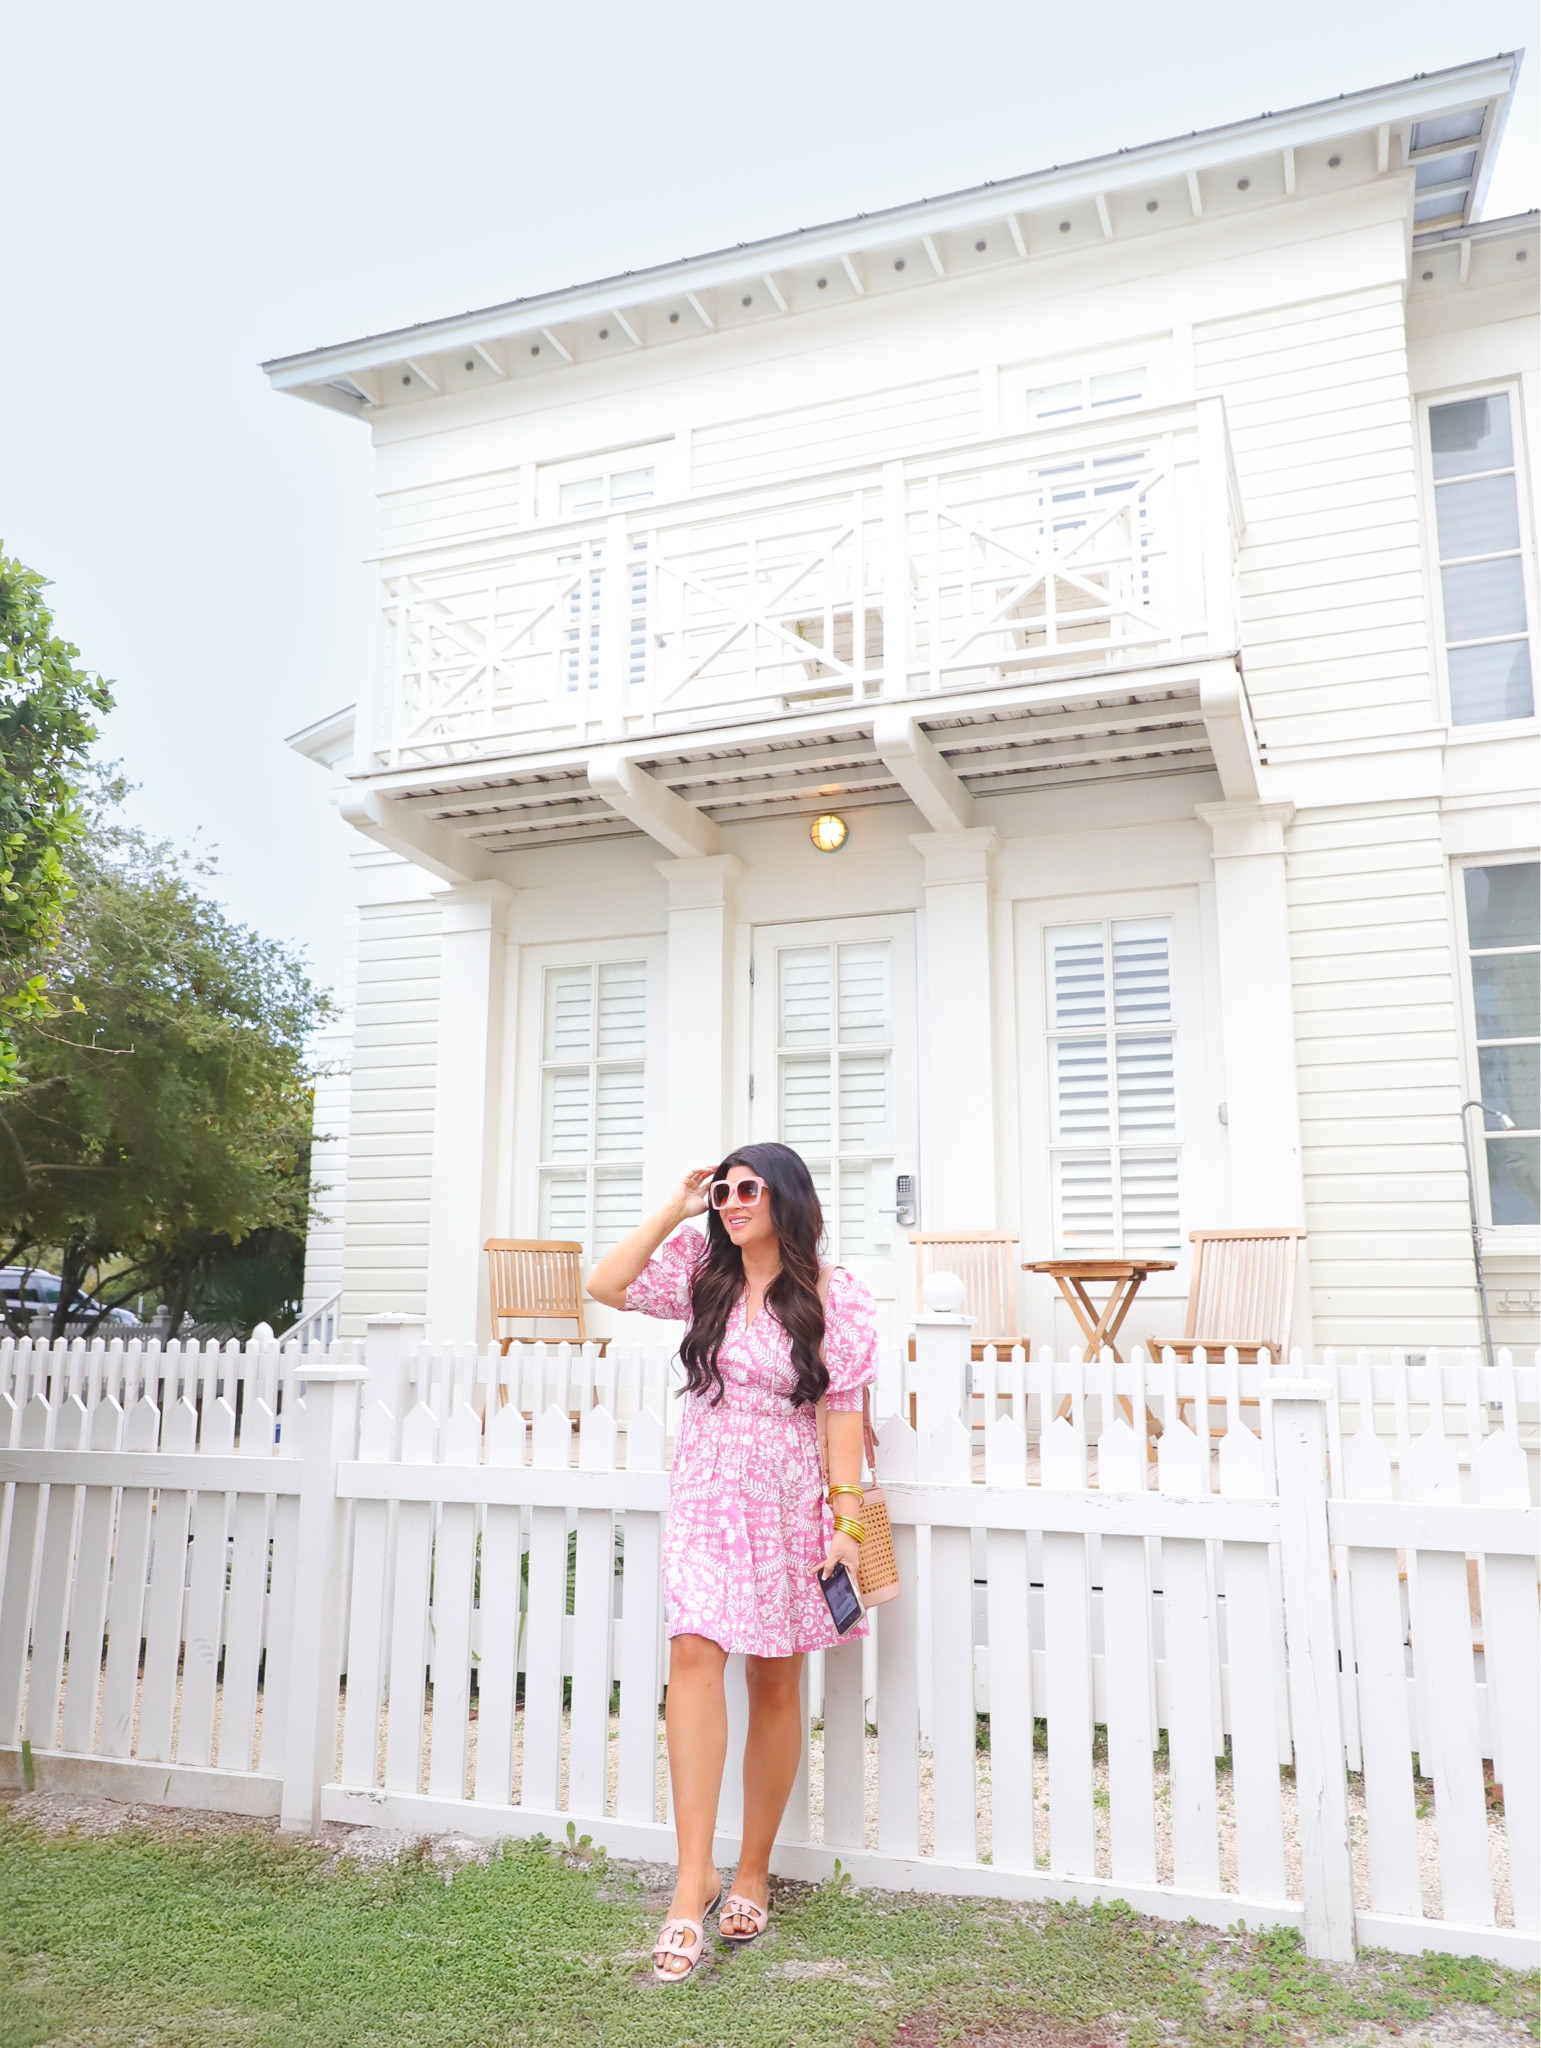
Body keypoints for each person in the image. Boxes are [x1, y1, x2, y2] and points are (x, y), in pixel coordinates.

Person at [587, 1142, 877, 1984]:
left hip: (791, 1500)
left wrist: (846, 1525)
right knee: (692, 1653)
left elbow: (844, 1417)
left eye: (747, 1188)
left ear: (785, 1197)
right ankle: (691, 1879)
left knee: (776, 1680)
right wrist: (675, 1207)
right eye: (724, 1190)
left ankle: (751, 1869)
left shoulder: (834, 1295)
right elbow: (605, 1285)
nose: (732, 1201)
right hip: (709, 1491)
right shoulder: (700, 1272)